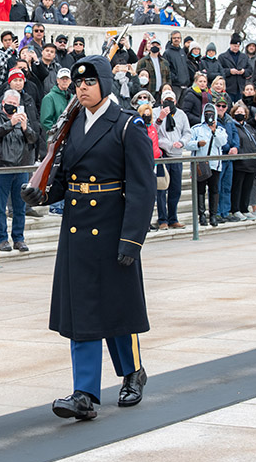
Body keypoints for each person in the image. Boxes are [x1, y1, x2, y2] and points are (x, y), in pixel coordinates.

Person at [20, 55, 156, 420]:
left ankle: (132, 373)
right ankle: (84, 393)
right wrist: (44, 194)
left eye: (90, 82)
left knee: (118, 307)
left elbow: (143, 189)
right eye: (78, 83)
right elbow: (64, 178)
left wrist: (132, 239)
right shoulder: (73, 122)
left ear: (106, 84)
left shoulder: (127, 125)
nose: (82, 87)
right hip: (78, 229)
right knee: (82, 312)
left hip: (112, 228)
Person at [0, 89, 38, 252]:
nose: (13, 106)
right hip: (2, 167)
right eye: (10, 103)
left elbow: (32, 139)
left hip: (21, 167)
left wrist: (24, 127)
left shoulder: (22, 117)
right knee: (0, 207)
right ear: (3, 103)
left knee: (20, 206)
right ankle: (1, 239)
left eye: (15, 104)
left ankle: (19, 239)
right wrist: (11, 123)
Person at [154, 88, 191, 228]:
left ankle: (173, 218)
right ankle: (162, 219)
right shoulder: (156, 112)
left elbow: (187, 132)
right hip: (162, 153)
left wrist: (181, 142)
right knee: (162, 187)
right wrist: (160, 118)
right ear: (162, 101)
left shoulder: (181, 114)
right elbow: (152, 131)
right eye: (166, 101)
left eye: (171, 100)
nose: (169, 103)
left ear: (175, 101)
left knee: (176, 188)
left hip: (177, 154)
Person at [228, 101, 256, 220]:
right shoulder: (232, 126)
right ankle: (235, 209)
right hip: (240, 162)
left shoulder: (248, 127)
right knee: (238, 187)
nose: (240, 114)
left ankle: (244, 208)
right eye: (237, 112)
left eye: (242, 112)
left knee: (248, 187)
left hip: (252, 162)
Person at [219, 33, 253, 103]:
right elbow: (220, 70)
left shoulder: (244, 57)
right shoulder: (222, 57)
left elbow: (250, 70)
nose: (236, 48)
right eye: (234, 46)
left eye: (238, 46)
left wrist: (244, 71)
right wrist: (229, 71)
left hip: (241, 88)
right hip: (228, 87)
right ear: (230, 45)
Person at [40, 67, 73, 132]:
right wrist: (58, 132)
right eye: (62, 78)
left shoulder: (72, 97)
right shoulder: (49, 98)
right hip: (56, 137)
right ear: (57, 80)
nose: (65, 81)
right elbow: (45, 122)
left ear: (70, 81)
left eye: (67, 78)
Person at [163, 30, 189, 103]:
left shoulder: (182, 52)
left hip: (185, 85)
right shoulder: (167, 52)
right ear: (171, 39)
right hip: (175, 85)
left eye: (178, 38)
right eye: (174, 38)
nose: (176, 39)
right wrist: (176, 79)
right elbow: (167, 69)